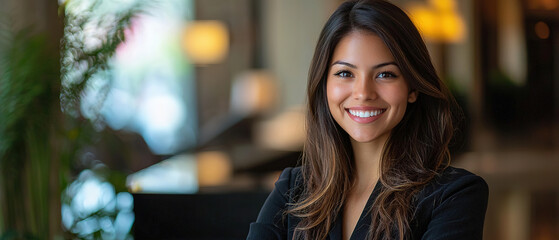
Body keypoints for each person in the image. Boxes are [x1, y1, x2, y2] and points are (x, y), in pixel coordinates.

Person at [247, 0, 488, 239]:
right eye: (345, 73)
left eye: (385, 74)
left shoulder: (454, 195)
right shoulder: (293, 188)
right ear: (324, 85)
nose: (363, 92)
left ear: (412, 88)